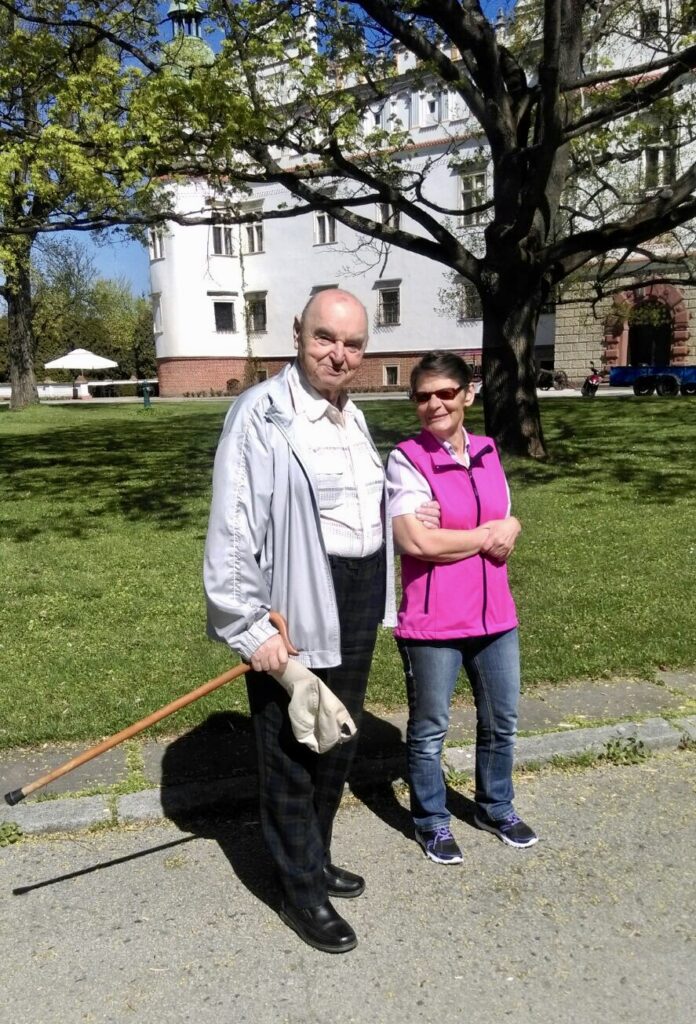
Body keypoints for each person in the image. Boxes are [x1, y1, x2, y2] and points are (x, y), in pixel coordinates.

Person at [204, 288, 437, 953]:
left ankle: (317, 854)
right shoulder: (262, 413)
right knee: (290, 746)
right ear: (297, 334)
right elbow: (233, 526)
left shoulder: (352, 415)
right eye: (324, 338)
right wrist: (251, 626)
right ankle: (298, 889)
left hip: (359, 590)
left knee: (336, 734)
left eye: (353, 343)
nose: (339, 354)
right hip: (297, 594)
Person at [386, 351, 538, 866]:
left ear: (468, 395)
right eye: (422, 396)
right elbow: (415, 541)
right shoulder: (407, 459)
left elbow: (506, 517)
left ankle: (496, 808)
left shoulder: (489, 450)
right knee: (430, 730)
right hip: (434, 622)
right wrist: (485, 534)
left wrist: (510, 526)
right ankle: (431, 820)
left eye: (445, 393)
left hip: (496, 617)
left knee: (501, 721)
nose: (434, 404)